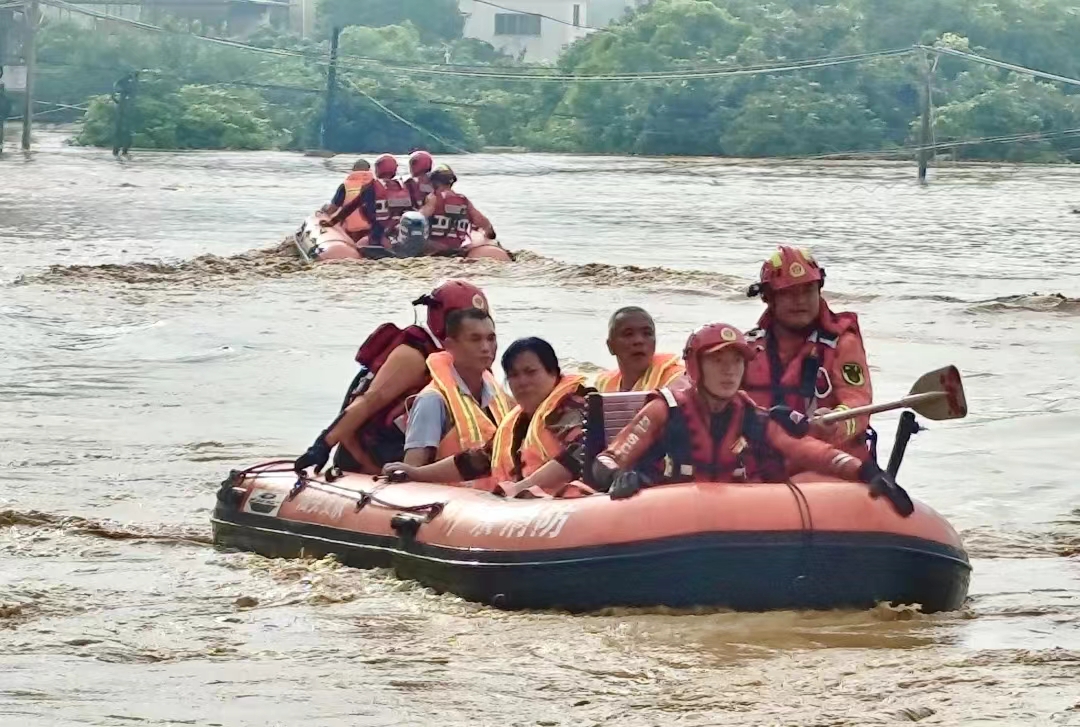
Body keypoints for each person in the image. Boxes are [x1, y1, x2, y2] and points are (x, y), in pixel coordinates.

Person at [590, 323, 912, 516]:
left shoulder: (752, 417)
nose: (729, 371)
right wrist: (620, 476)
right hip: (662, 514)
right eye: (718, 360)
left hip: (734, 521)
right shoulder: (665, 410)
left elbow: (807, 450)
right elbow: (608, 459)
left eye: (736, 361)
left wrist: (866, 470)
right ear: (696, 366)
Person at [293, 279, 491, 475]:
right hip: (376, 454)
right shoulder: (413, 355)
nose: (482, 341)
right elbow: (370, 400)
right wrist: (322, 445)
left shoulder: (477, 360)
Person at [383, 338, 593, 498]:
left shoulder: (570, 404)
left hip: (572, 511)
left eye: (531, 372)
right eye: (514, 375)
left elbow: (582, 452)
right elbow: (478, 460)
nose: (522, 382)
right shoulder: (518, 420)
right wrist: (416, 473)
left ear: (554, 373)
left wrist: (520, 487)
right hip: (527, 511)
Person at [743, 246, 874, 459]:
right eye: (789, 293)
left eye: (807, 290)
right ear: (768, 297)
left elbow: (858, 402)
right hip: (763, 461)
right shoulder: (748, 347)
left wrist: (836, 422)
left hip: (823, 459)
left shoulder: (842, 344)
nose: (801, 300)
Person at [401, 308, 513, 466]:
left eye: (491, 338)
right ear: (450, 346)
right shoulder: (432, 401)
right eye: (475, 339)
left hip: (496, 489)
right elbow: (412, 469)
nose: (486, 347)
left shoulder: (496, 393)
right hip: (449, 489)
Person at [595, 307, 685, 392]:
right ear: (611, 346)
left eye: (647, 333)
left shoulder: (676, 379)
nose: (639, 341)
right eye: (628, 334)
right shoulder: (604, 385)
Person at [417, 164, 496, 254]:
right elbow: (484, 223)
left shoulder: (433, 198)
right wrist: (489, 233)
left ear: (434, 182)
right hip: (457, 250)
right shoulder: (463, 201)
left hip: (436, 250)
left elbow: (419, 218)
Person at [325, 159, 373, 241]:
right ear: (369, 170)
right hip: (373, 229)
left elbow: (334, 208)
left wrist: (324, 216)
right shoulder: (377, 184)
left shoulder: (346, 186)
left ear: (353, 170)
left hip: (352, 231)